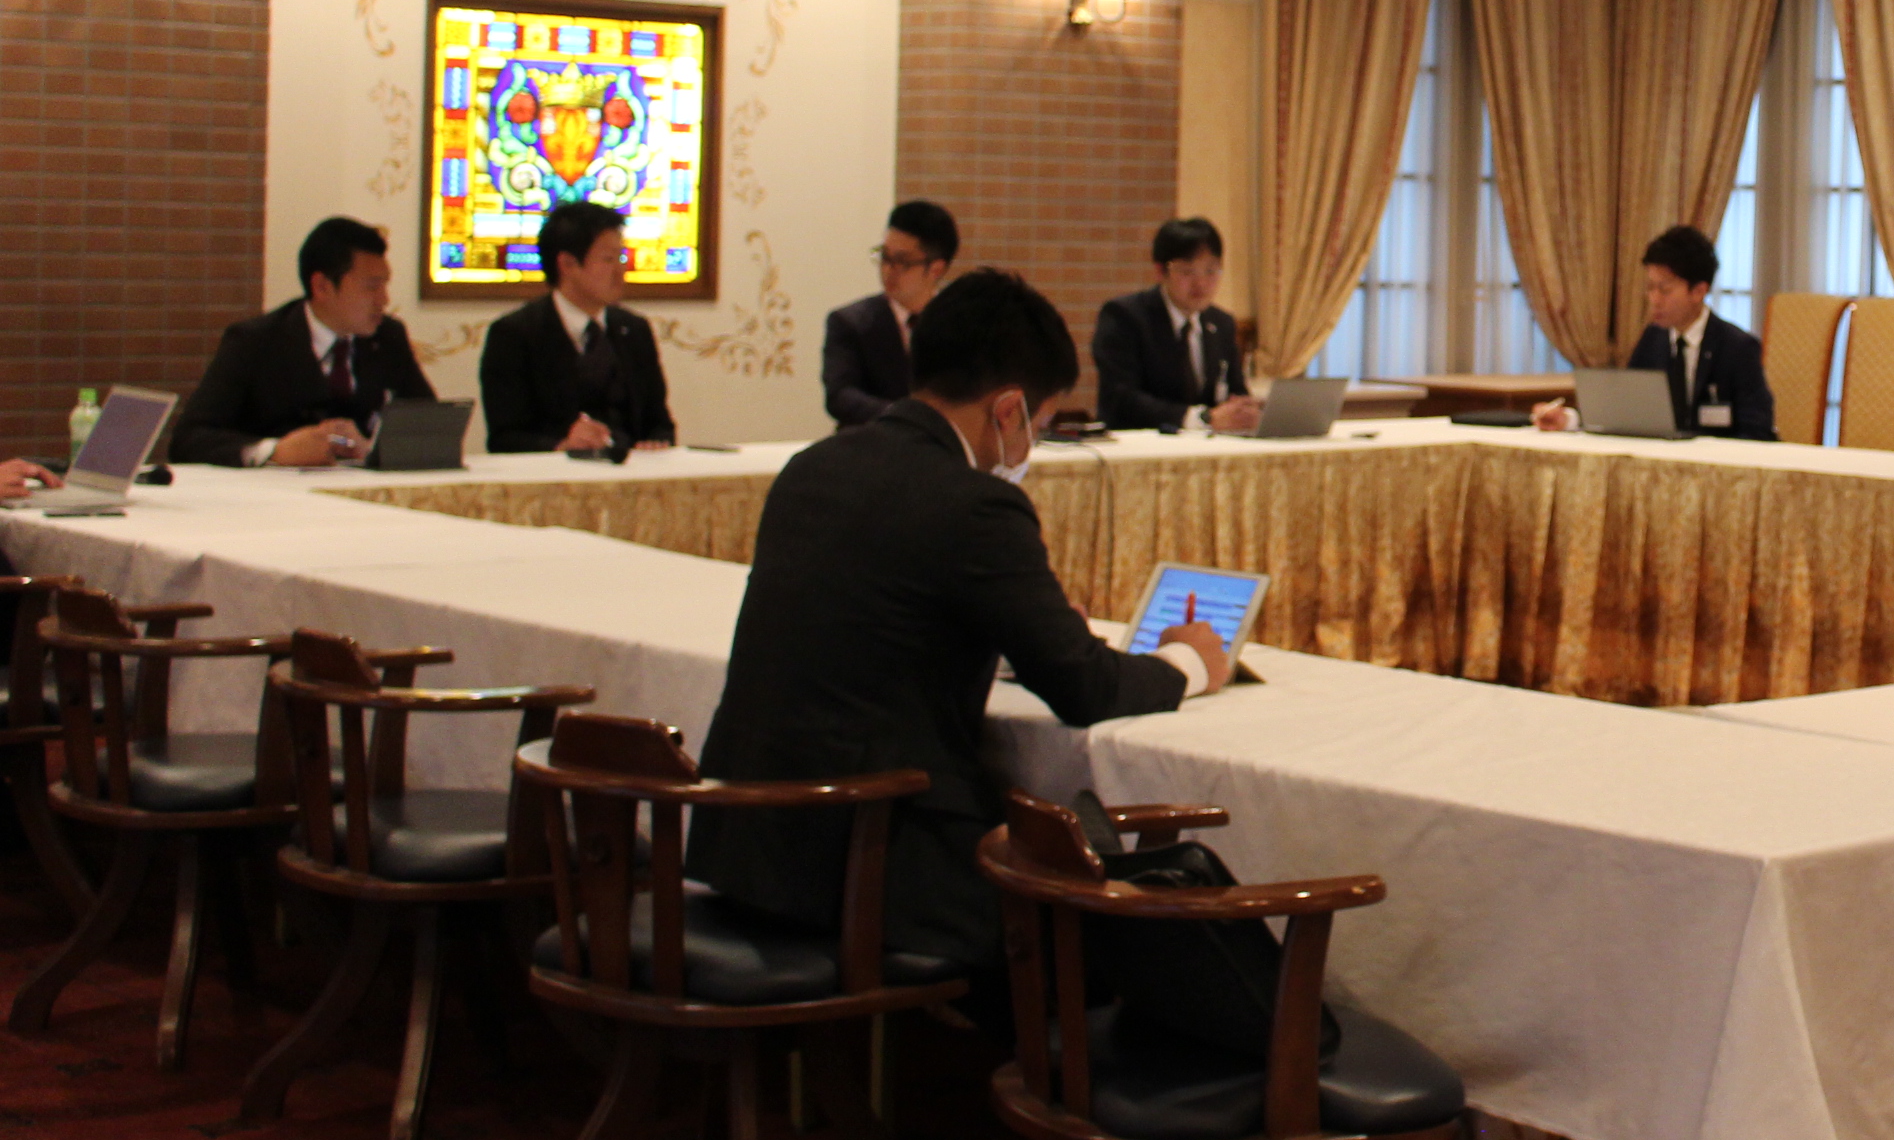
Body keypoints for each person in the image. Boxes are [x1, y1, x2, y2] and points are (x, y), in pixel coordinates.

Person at [687, 268, 1230, 979]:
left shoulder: (812, 467)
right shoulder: (977, 504)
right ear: (1008, 410)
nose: (1031, 446)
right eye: (1039, 426)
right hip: (876, 868)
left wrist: (1005, 634)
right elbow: (1086, 688)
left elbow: (877, 622)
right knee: (1125, 924)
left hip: (746, 845)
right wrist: (1188, 662)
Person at [174, 215, 437, 468]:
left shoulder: (388, 338)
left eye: (385, 285)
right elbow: (189, 438)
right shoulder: (255, 341)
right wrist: (274, 451)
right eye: (371, 287)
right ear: (322, 286)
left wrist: (371, 448)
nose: (384, 300)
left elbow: (434, 429)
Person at [1532, 225, 1777, 440]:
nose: (1654, 299)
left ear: (1699, 291)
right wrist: (1569, 419)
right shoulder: (1653, 340)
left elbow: (1757, 430)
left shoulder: (1737, 348)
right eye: (1650, 288)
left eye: (1665, 289)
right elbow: (1623, 410)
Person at [478, 202, 676, 455]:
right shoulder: (514, 334)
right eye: (608, 259)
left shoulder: (634, 329)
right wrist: (562, 447)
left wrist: (656, 443)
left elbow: (660, 424)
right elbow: (505, 437)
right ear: (567, 264)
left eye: (621, 257)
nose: (620, 271)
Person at [1092, 217, 1256, 433]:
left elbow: (1235, 390)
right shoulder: (1124, 316)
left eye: (1210, 271)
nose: (1201, 283)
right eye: (1187, 271)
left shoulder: (1221, 323)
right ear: (1160, 271)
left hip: (1207, 445)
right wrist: (1201, 418)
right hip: (1140, 443)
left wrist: (1245, 410)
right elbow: (1121, 398)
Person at [821, 200, 958, 428]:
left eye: (902, 262)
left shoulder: (960, 324)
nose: (887, 270)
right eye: (884, 256)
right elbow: (840, 396)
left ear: (936, 269)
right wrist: (908, 418)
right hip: (870, 442)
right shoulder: (850, 322)